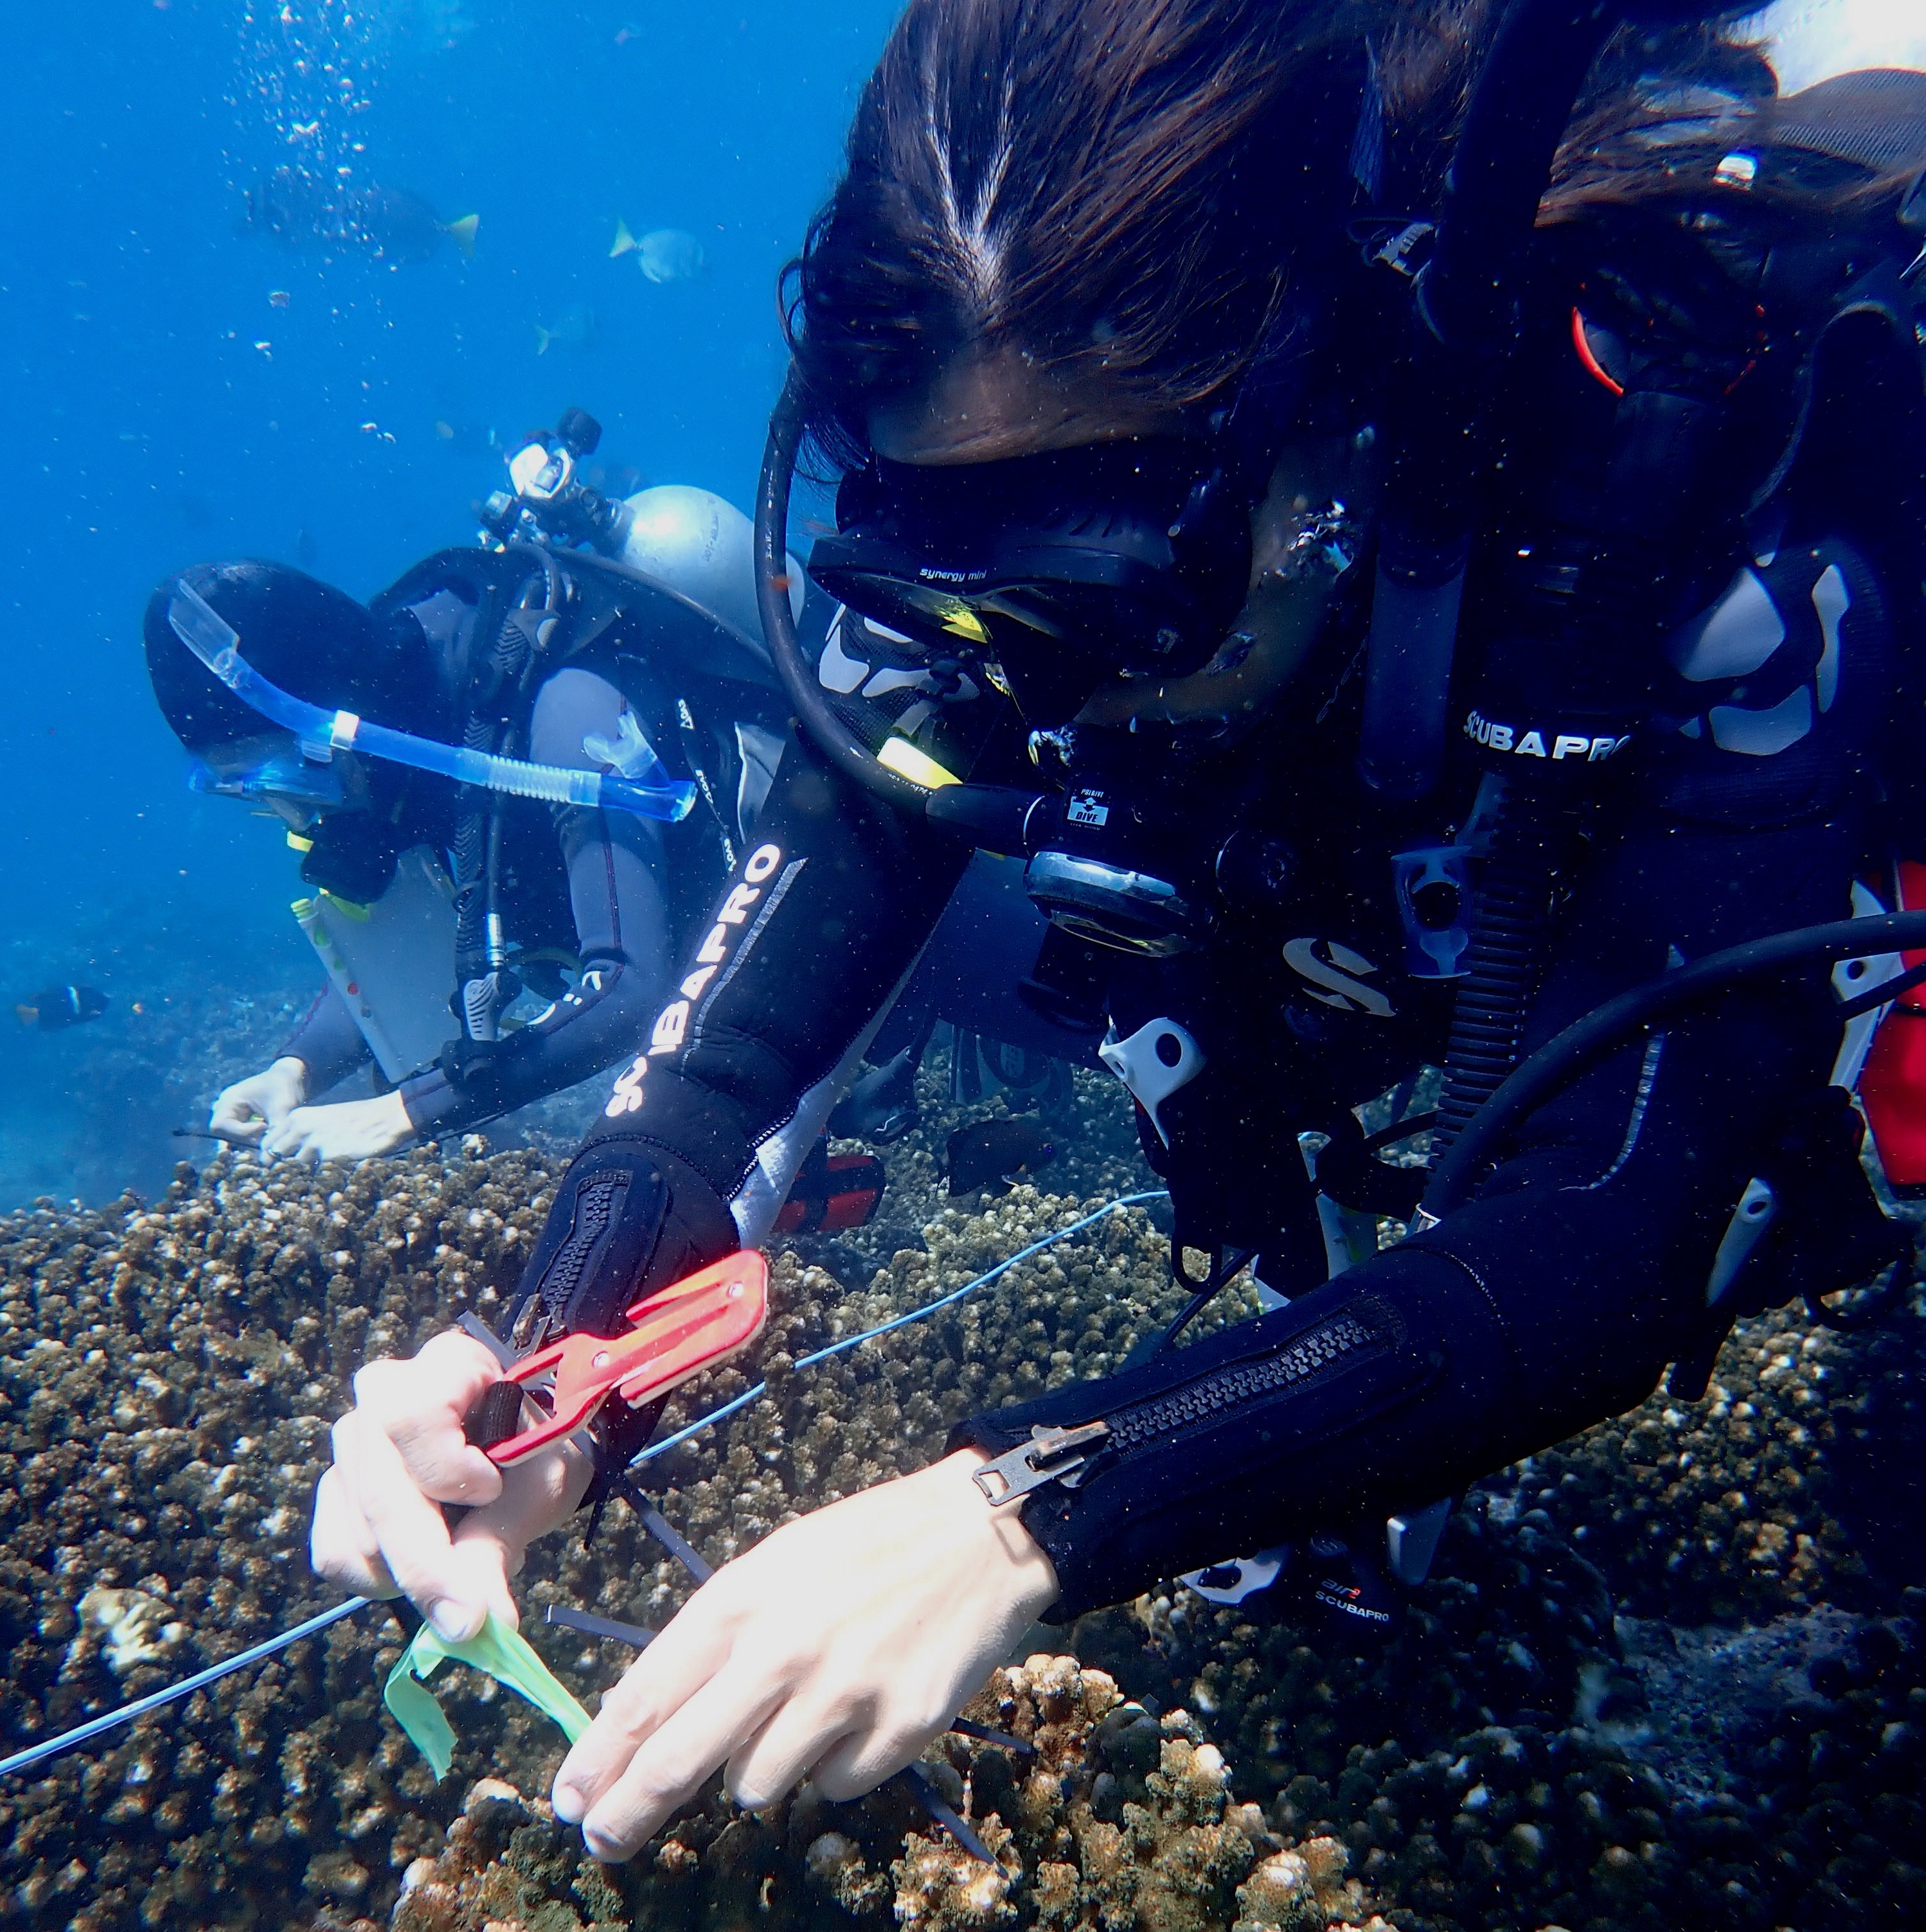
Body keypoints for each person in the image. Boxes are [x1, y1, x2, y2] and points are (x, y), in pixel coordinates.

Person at [312, 0, 1926, 1865]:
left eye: (1092, 581)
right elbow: (717, 1083)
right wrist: (532, 1387)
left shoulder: (1670, 521)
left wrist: (1023, 1507)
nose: (1010, 679)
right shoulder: (972, 596)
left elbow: (1609, 1221)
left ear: (1338, 424)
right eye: (939, 573)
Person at [147, 417, 807, 1166]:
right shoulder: (406, 749)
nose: (286, 808)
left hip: (845, 923)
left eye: (281, 770)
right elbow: (424, 954)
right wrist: (292, 1072)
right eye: (241, 789)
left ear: (334, 718)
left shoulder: (564, 708)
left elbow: (627, 988)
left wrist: (401, 1112)